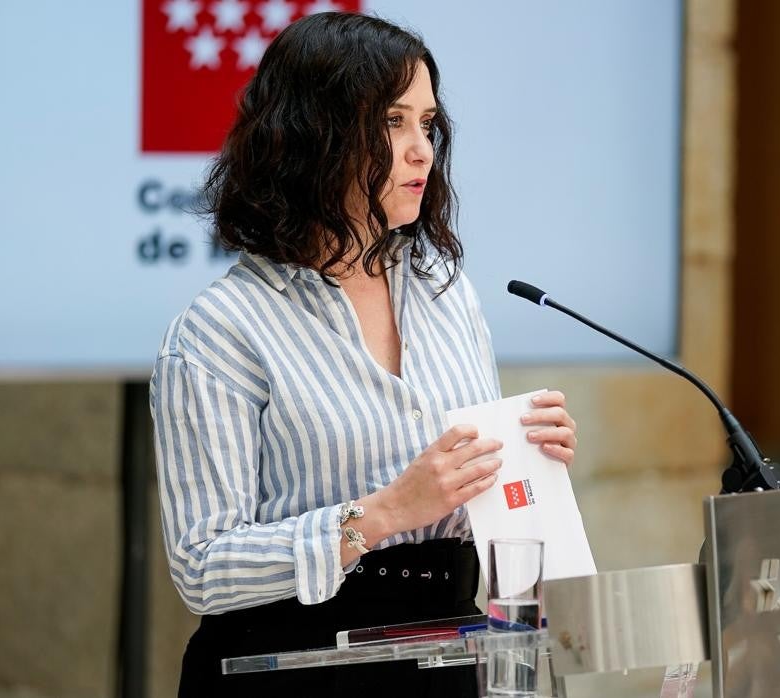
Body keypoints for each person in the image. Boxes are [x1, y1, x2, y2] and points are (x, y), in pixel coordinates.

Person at [149, 12, 578, 696]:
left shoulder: (447, 294)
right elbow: (203, 565)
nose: (422, 151)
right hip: (291, 664)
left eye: (427, 123)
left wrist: (526, 463)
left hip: (453, 651)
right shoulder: (218, 330)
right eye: (391, 123)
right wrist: (380, 514)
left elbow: (470, 495)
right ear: (313, 136)